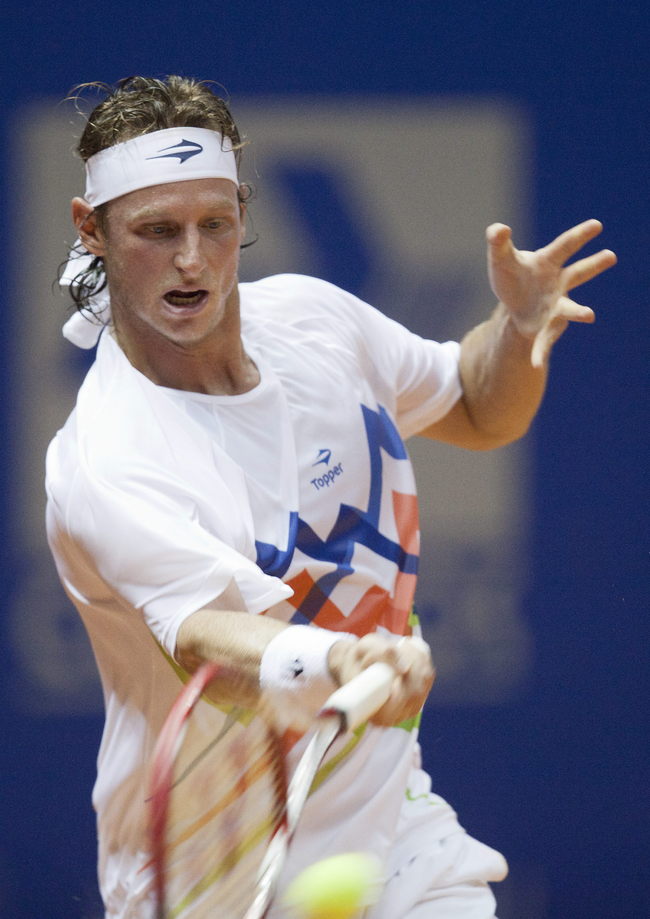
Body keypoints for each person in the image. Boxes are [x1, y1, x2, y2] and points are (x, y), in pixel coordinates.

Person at [45, 75, 616, 919]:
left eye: (214, 224)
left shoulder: (314, 320)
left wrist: (518, 328)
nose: (192, 259)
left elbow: (476, 406)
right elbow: (208, 645)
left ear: (243, 211)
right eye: (157, 231)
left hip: (398, 836)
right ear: (90, 229)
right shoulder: (106, 455)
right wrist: (337, 658)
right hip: (212, 876)